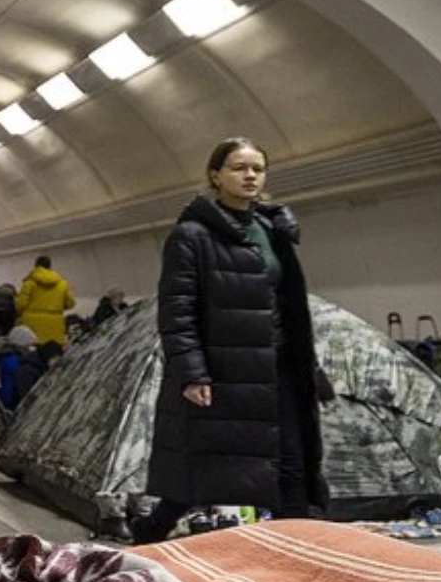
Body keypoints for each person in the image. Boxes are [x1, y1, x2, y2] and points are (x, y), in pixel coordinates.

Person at [133, 137, 326, 543]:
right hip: (225, 368)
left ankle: (296, 545)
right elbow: (177, 309)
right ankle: (150, 532)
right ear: (215, 176)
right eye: (239, 167)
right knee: (202, 467)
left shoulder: (273, 230)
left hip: (279, 364)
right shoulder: (191, 235)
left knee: (292, 460)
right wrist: (192, 372)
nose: (251, 175)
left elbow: (287, 305)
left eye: (258, 168)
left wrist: (310, 366)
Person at [15, 256, 75, 347]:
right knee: (53, 354)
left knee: (35, 356)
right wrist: (57, 308)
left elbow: (21, 304)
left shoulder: (29, 283)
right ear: (50, 266)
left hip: (32, 329)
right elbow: (70, 303)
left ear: (36, 266)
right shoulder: (63, 284)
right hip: (55, 328)